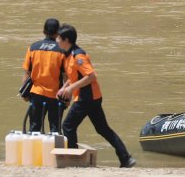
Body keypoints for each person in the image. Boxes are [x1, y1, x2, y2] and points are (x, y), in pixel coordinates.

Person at [56, 24, 136, 168]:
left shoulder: (78, 55)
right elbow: (74, 76)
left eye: (58, 38)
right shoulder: (68, 55)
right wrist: (64, 88)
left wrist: (71, 88)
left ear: (66, 40)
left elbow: (91, 76)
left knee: (68, 125)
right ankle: (126, 159)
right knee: (103, 129)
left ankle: (74, 160)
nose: (56, 40)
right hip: (90, 98)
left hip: (86, 98)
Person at [21, 18, 66, 133]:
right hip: (55, 96)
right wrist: (67, 97)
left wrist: (24, 93)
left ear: (43, 31)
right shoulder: (62, 51)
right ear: (58, 33)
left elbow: (27, 73)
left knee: (34, 129)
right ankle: (54, 150)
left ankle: (33, 150)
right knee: (55, 130)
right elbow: (66, 76)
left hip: (36, 94)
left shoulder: (33, 48)